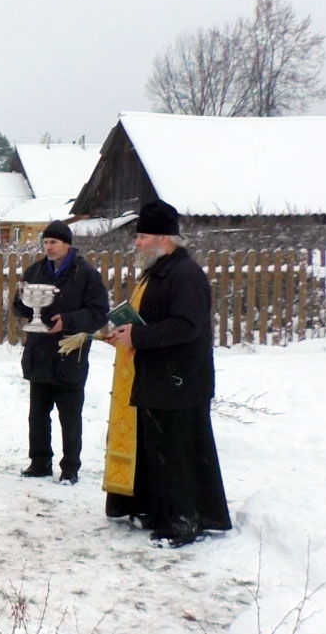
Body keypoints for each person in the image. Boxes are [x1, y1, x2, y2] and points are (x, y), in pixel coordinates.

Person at [104, 199, 232, 548]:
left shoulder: (185, 275)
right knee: (157, 451)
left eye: (142, 236)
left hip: (180, 381)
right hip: (160, 377)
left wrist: (139, 336)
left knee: (178, 454)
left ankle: (184, 523)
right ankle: (158, 513)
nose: (137, 243)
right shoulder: (160, 271)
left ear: (164, 238)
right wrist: (126, 332)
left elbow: (187, 326)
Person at [13, 220, 109, 485]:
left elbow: (99, 313)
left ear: (67, 244)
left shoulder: (85, 274)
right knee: (38, 414)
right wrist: (23, 303)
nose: (49, 247)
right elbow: (18, 306)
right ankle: (40, 462)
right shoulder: (35, 271)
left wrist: (67, 320)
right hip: (39, 352)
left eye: (53, 242)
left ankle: (70, 468)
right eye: (45, 242)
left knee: (70, 416)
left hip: (70, 355)